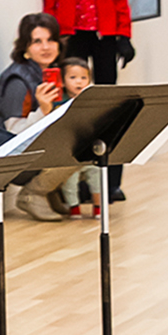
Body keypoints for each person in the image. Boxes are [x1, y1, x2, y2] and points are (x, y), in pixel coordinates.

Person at [41, 0, 133, 200]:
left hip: (105, 34)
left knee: (109, 106)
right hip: (70, 35)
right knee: (71, 106)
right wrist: (53, 37)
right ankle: (77, 182)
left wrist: (124, 33)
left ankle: (112, 181)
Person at [0, 12, 67, 221]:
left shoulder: (49, 73)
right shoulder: (17, 80)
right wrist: (42, 110)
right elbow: (12, 133)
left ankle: (50, 191)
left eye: (51, 40)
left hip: (35, 149)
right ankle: (34, 194)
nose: (46, 47)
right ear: (25, 48)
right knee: (79, 143)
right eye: (37, 42)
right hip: (13, 157)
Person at [56, 58, 107, 217]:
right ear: (63, 81)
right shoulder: (59, 104)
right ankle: (74, 208)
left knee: (97, 178)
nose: (78, 82)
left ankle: (98, 208)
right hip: (69, 153)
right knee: (69, 182)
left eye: (83, 78)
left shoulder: (92, 102)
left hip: (89, 151)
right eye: (72, 77)